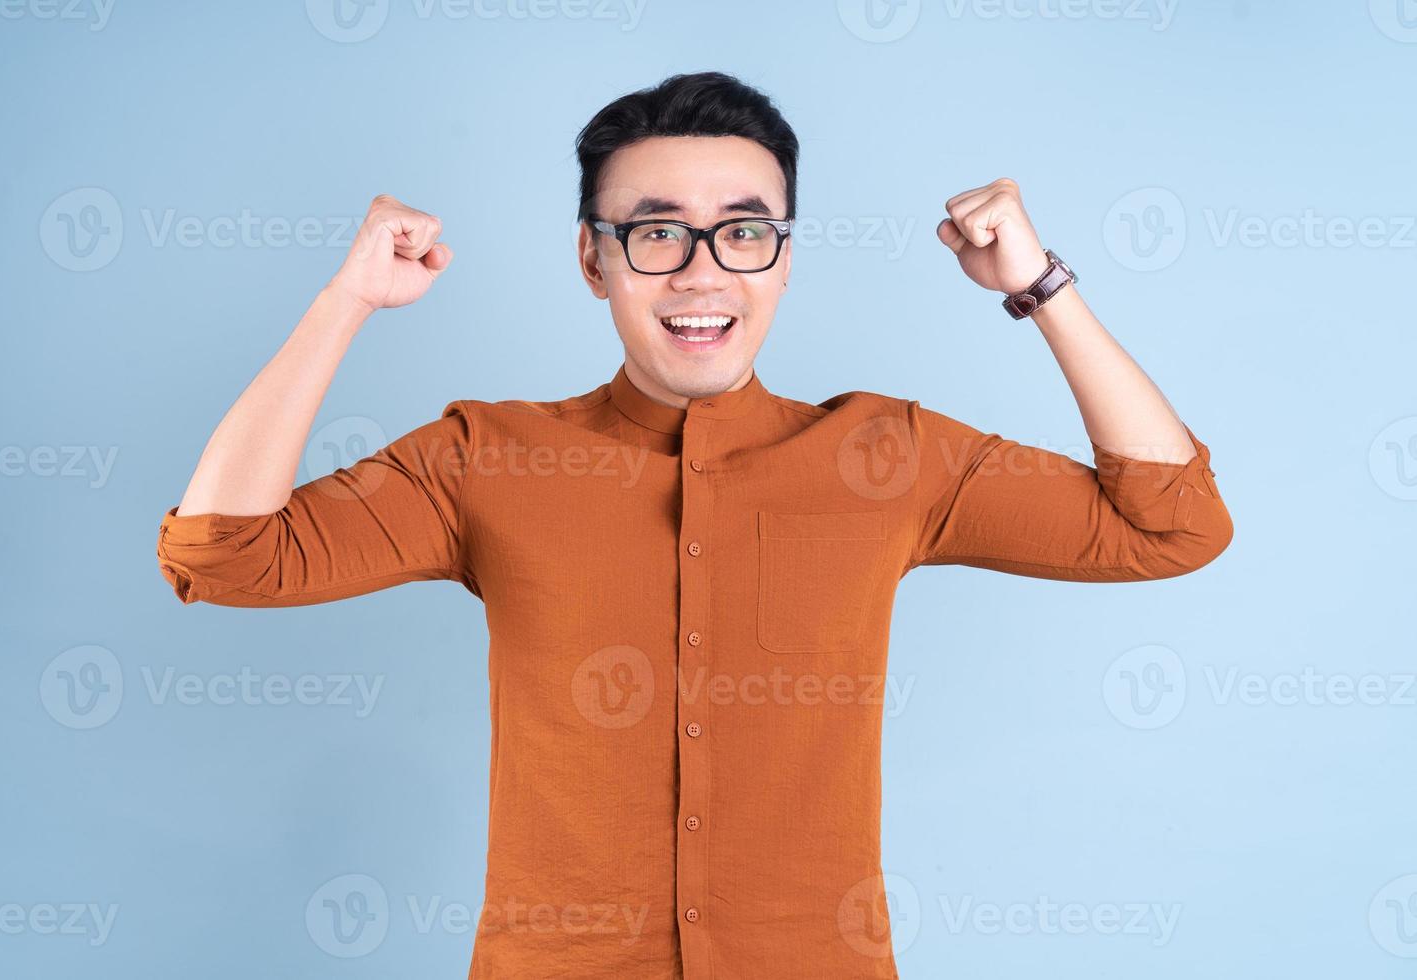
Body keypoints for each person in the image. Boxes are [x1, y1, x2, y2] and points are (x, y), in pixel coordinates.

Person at [155, 71, 1232, 979]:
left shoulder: (888, 456)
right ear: (595, 259)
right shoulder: (485, 457)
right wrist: (346, 299)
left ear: (784, 255)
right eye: (658, 231)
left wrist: (1041, 287)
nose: (703, 270)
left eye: (744, 231)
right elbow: (226, 554)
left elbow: (1172, 524)